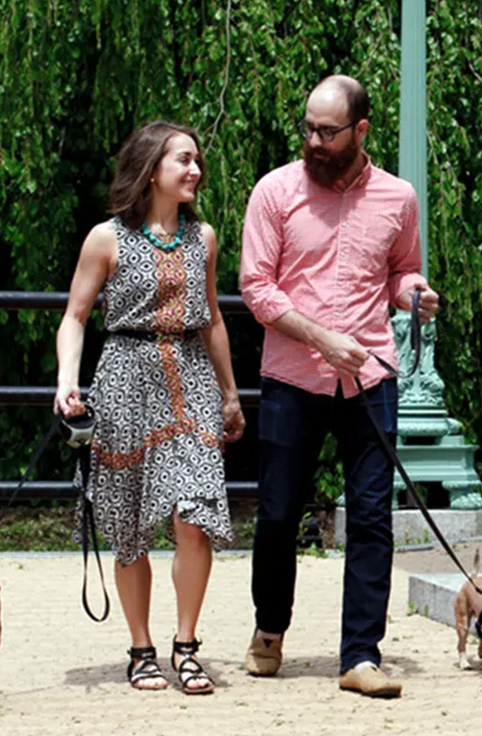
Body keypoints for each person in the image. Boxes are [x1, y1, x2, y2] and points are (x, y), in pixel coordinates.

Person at [238, 75, 440, 698]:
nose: (314, 141)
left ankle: (360, 656)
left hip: (370, 375)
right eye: (308, 128)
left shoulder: (398, 198)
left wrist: (415, 294)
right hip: (294, 376)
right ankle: (269, 629)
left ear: (360, 131)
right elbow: (257, 288)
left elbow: (402, 269)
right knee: (276, 514)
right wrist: (322, 339)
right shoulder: (275, 191)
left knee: (373, 516)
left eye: (328, 131)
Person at [55, 121, 244, 694]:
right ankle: (141, 648)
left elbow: (211, 317)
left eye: (197, 161)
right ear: (151, 168)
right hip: (124, 382)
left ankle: (186, 645)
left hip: (189, 380)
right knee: (128, 524)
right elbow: (75, 316)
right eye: (183, 160)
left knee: (195, 514)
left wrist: (231, 393)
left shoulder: (203, 237)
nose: (195, 170)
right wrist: (67, 381)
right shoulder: (105, 239)